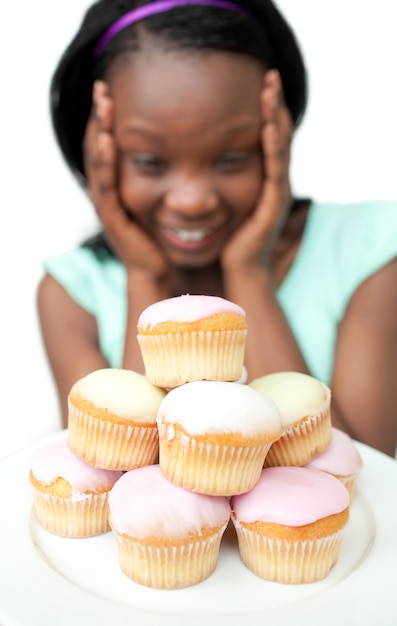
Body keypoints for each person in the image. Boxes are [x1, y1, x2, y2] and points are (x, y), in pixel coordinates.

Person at [37, 0, 397, 456]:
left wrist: (249, 272)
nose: (193, 201)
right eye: (150, 161)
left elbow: (370, 479)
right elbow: (126, 483)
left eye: (231, 158)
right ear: (97, 156)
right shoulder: (73, 296)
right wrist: (145, 277)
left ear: (277, 138)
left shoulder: (370, 252)